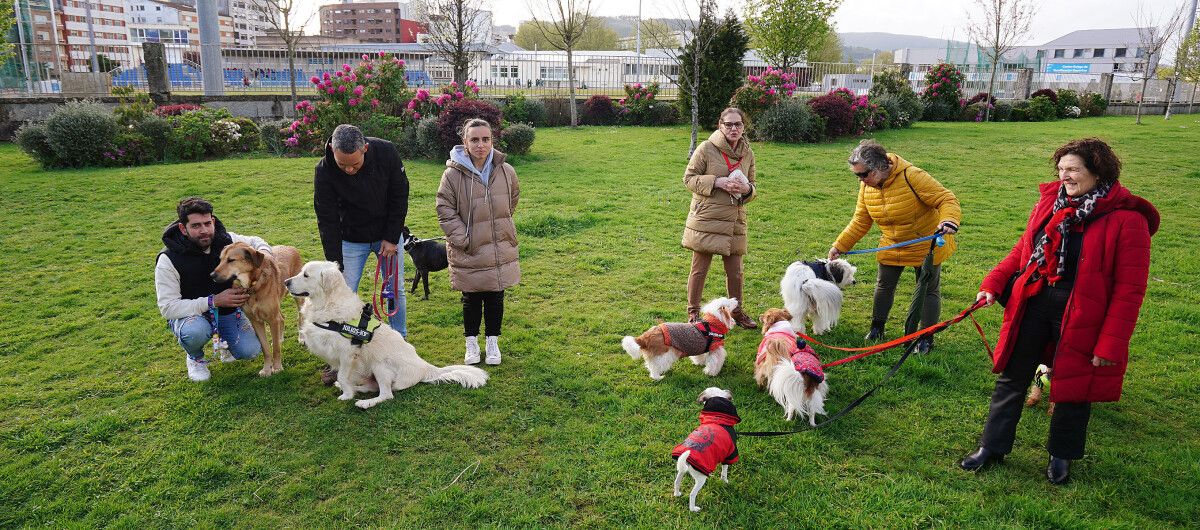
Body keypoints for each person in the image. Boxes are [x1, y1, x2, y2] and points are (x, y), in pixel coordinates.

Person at [961, 138, 1158, 485]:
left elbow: (1131, 291)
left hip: (1085, 314)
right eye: (1061, 169)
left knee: (1074, 388)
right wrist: (993, 282)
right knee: (1012, 377)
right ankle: (991, 447)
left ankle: (1061, 455)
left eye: (1074, 170)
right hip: (1035, 302)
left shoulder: (1129, 221)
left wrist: (1110, 345)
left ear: (1098, 171)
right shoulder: (1050, 203)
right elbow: (1024, 249)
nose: (1065, 176)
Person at [828, 139, 961, 353]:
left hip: (925, 243)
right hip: (892, 243)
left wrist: (949, 220)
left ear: (881, 166)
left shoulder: (912, 176)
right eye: (857, 175)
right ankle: (877, 328)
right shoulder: (866, 187)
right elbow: (861, 220)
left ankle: (925, 338)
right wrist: (840, 245)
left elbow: (946, 199)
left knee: (927, 289)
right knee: (884, 285)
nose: (861, 180)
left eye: (864, 174)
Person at [155, 197, 272, 382]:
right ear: (183, 228)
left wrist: (264, 257)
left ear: (213, 221)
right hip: (193, 317)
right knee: (195, 332)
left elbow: (256, 242)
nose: (204, 231)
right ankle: (195, 357)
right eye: (196, 226)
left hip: (227, 312)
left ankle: (225, 344)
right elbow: (167, 308)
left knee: (250, 350)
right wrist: (213, 301)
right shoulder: (168, 259)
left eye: (207, 223)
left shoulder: (227, 240)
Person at [436, 118, 521, 366]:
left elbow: (512, 200)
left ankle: (492, 341)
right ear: (465, 142)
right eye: (474, 140)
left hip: (498, 245)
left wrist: (498, 227)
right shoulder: (452, 174)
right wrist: (464, 238)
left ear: (492, 141)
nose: (480, 145)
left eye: (485, 139)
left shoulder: (506, 171)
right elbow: (445, 209)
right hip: (469, 247)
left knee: (496, 296)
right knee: (471, 299)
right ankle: (471, 342)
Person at [314, 124, 410, 335]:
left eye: (355, 164)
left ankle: (399, 338)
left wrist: (392, 237)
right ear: (332, 150)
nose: (349, 170)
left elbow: (399, 196)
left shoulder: (387, 153)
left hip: (387, 234)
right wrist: (335, 262)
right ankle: (345, 343)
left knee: (394, 290)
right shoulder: (324, 171)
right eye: (343, 165)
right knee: (342, 292)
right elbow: (326, 219)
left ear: (365, 148)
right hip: (350, 239)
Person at [681, 107, 758, 328]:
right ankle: (693, 314)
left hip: (735, 219)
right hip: (707, 218)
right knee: (699, 269)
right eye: (729, 124)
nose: (734, 128)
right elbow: (688, 179)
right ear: (720, 125)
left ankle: (736, 312)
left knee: (736, 272)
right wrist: (716, 181)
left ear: (743, 127)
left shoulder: (748, 153)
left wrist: (746, 190)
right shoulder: (706, 148)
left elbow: (753, 186)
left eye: (738, 124)